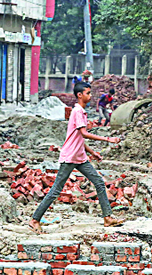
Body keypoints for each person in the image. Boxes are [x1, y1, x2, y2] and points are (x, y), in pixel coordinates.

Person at [28, 82, 124, 234]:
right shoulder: (77, 111)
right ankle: (35, 219)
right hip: (70, 156)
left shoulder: (81, 112)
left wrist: (92, 153)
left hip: (80, 157)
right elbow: (84, 133)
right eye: (88, 93)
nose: (90, 96)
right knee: (56, 190)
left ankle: (108, 218)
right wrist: (108, 140)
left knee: (99, 182)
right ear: (80, 95)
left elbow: (79, 138)